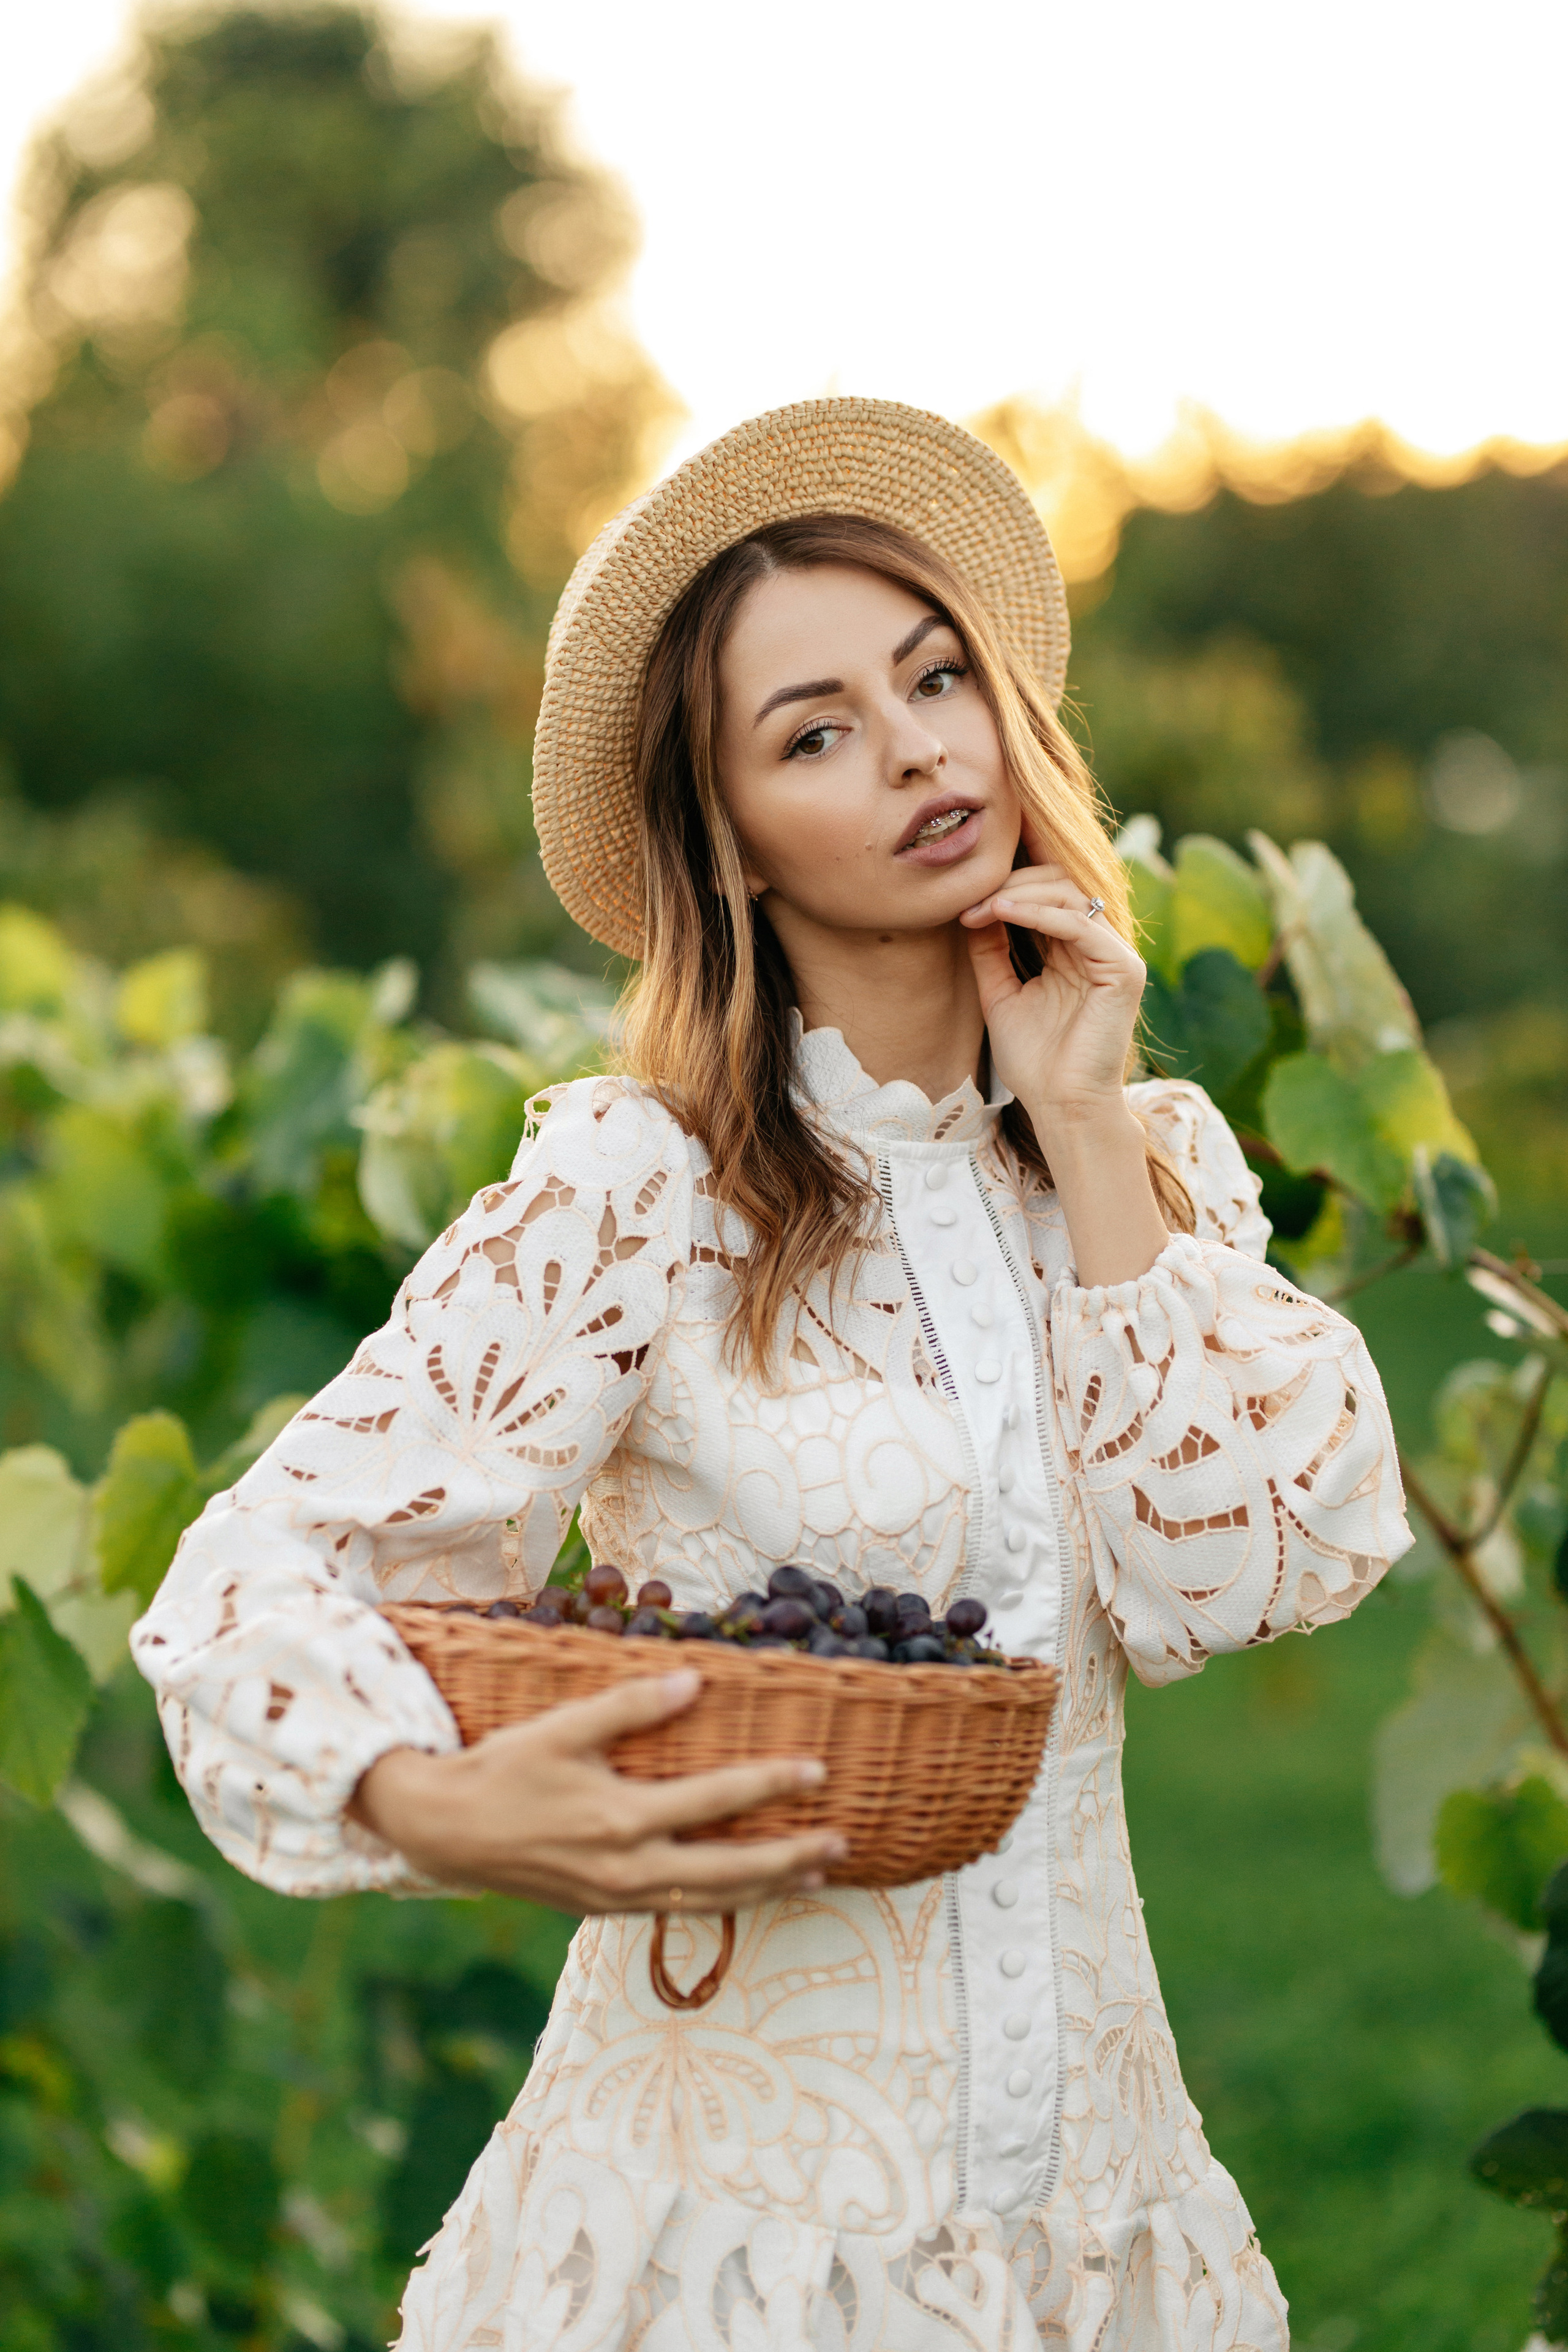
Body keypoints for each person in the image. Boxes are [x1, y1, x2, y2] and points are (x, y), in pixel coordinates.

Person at [133, 399, 1412, 2351]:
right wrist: (429, 1800)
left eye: (933, 681)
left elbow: (1238, 1584)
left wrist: (1083, 1128)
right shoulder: (638, 1188)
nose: (911, 750)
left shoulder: (1141, 1166)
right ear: (728, 840)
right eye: (813, 732)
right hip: (726, 2249)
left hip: (1097, 2218)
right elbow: (244, 1585)